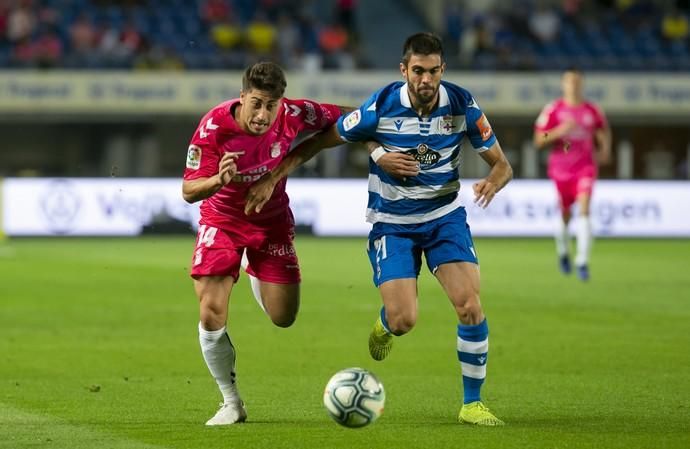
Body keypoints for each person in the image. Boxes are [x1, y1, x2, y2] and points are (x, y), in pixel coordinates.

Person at [244, 32, 513, 426]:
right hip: (393, 224)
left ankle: (472, 403)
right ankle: (387, 324)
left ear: (443, 70)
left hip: (444, 218)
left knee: (470, 306)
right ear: (404, 69)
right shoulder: (381, 105)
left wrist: (494, 178)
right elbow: (321, 141)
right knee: (404, 319)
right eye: (418, 71)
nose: (426, 80)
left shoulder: (462, 104)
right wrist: (274, 177)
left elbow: (503, 164)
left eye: (433, 71)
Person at [181, 61, 348, 426]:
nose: (262, 114)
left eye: (270, 105)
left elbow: (351, 120)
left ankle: (251, 264)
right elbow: (188, 191)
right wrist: (217, 181)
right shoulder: (213, 129)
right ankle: (230, 401)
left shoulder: (295, 114)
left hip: (271, 222)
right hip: (222, 221)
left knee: (283, 317)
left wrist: (276, 174)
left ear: (281, 103)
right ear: (242, 98)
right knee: (211, 309)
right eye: (256, 103)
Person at [533, 68, 611, 281]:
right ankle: (564, 251)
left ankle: (582, 261)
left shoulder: (591, 110)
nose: (573, 85)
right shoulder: (554, 109)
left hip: (585, 167)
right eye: (569, 81)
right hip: (561, 169)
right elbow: (540, 138)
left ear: (582, 84)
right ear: (563, 85)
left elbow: (602, 130)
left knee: (585, 209)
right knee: (565, 214)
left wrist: (604, 148)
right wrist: (559, 131)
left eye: (577, 81)